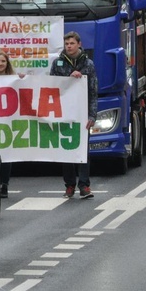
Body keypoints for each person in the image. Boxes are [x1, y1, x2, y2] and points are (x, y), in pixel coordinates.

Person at [50, 31, 97, 199]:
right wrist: (68, 78)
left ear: (79, 44)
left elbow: (92, 90)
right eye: (66, 44)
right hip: (64, 112)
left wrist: (92, 115)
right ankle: (69, 185)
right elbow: (52, 86)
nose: (69, 46)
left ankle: (84, 185)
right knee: (67, 150)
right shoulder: (58, 63)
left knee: (84, 151)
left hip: (82, 113)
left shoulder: (88, 64)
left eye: (71, 43)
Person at [0, 51, 21, 198]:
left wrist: (23, 80)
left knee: (7, 154)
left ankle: (4, 184)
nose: (0, 64)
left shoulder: (14, 79)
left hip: (8, 121)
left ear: (7, 63)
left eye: (3, 61)